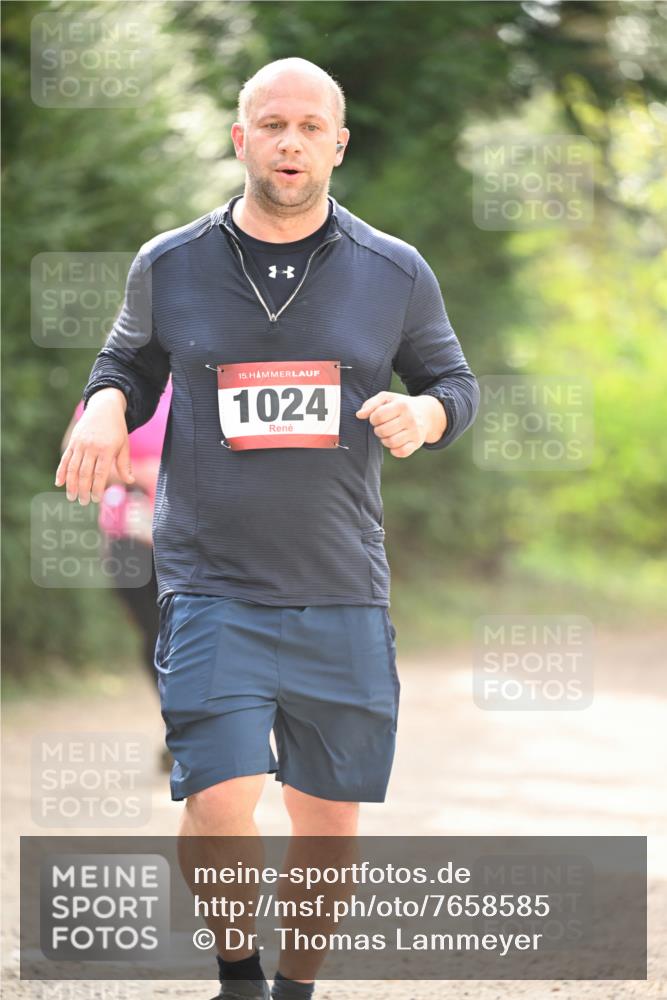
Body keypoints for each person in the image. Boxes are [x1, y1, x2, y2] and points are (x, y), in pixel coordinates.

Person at [55, 57, 479, 1000]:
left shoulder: (393, 271)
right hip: (209, 582)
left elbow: (456, 383)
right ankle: (238, 974)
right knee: (219, 803)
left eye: (309, 126)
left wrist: (428, 416)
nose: (290, 142)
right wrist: (100, 407)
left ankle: (297, 989)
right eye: (271, 124)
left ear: (337, 143)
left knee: (326, 825)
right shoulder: (171, 263)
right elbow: (126, 361)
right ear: (241, 138)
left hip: (340, 584)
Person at [60, 380, 173, 769]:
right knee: (155, 632)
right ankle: (178, 722)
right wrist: (137, 473)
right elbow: (73, 454)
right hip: (129, 535)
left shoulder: (203, 378)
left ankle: (191, 727)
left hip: (195, 533)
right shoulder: (115, 390)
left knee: (190, 629)